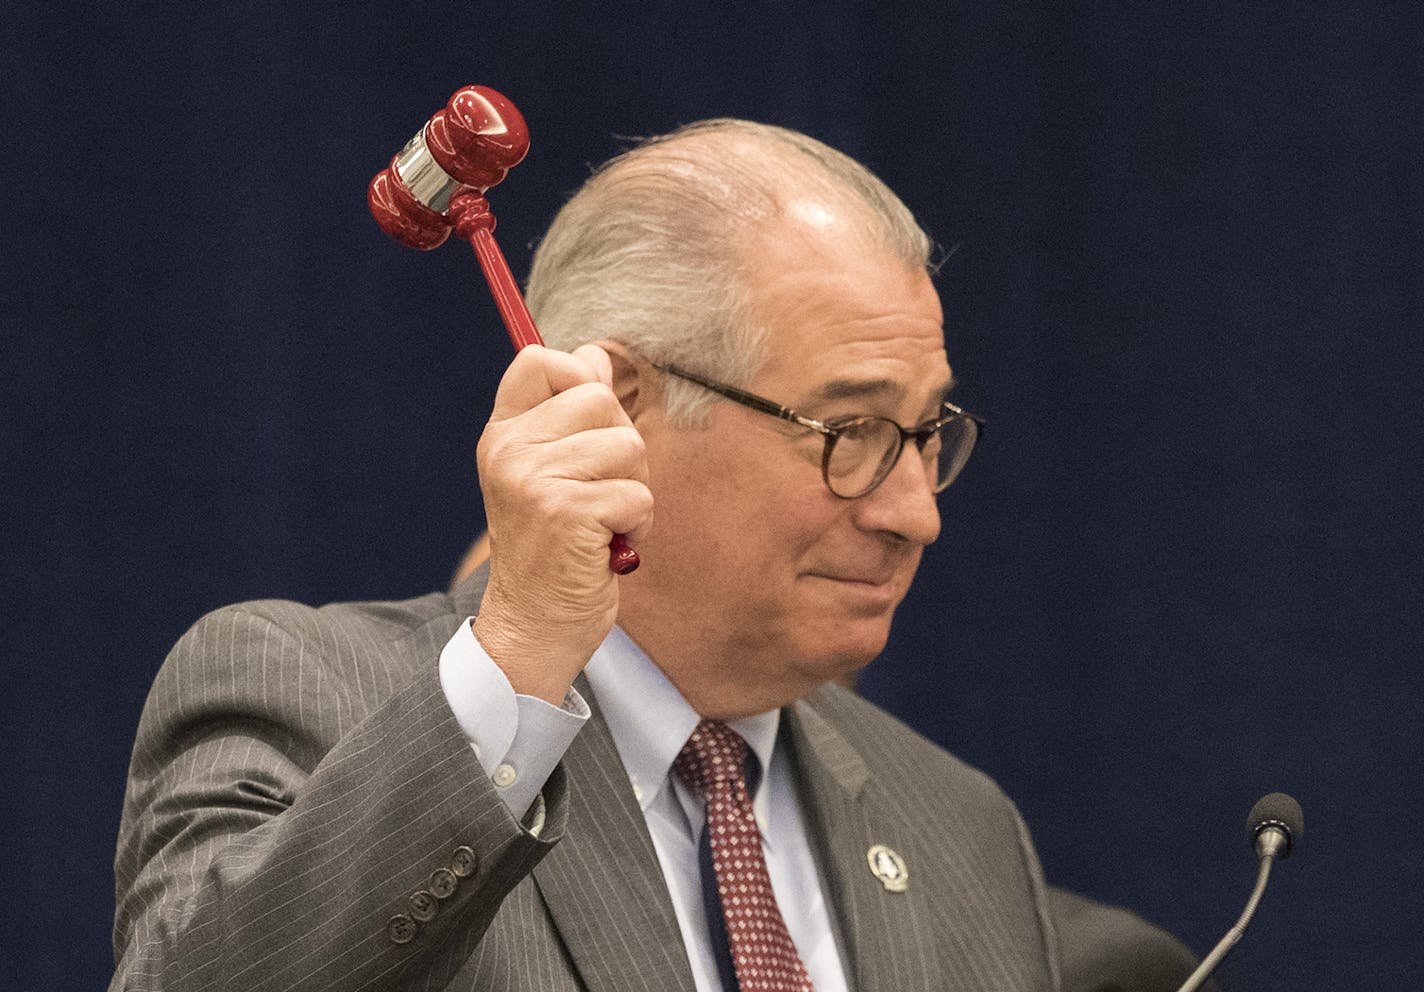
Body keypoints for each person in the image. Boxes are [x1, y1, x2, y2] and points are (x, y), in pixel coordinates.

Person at [112, 119, 1207, 991]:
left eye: (925, 433)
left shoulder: (958, 827)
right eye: (851, 433)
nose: (913, 512)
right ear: (622, 404)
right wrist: (524, 648)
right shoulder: (302, 691)